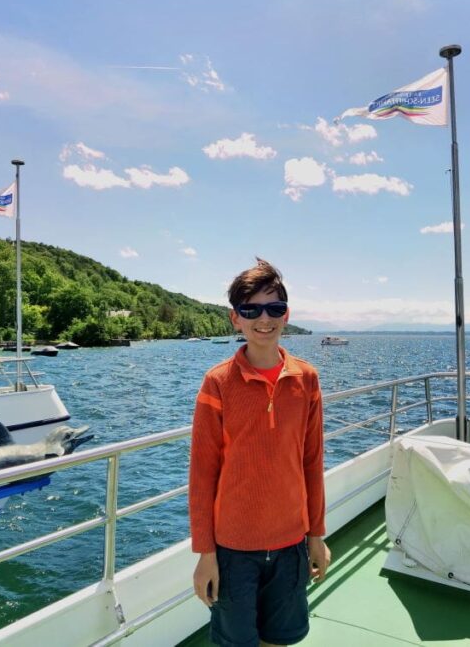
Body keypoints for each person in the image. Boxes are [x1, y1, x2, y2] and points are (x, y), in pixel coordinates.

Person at [189, 258, 330, 647]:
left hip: (291, 543)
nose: (263, 319)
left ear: (287, 316)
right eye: (251, 310)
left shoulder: (307, 379)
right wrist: (206, 554)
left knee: (279, 640)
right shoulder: (217, 383)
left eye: (274, 308)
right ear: (236, 318)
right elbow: (202, 474)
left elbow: (312, 462)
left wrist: (316, 535)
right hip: (233, 549)